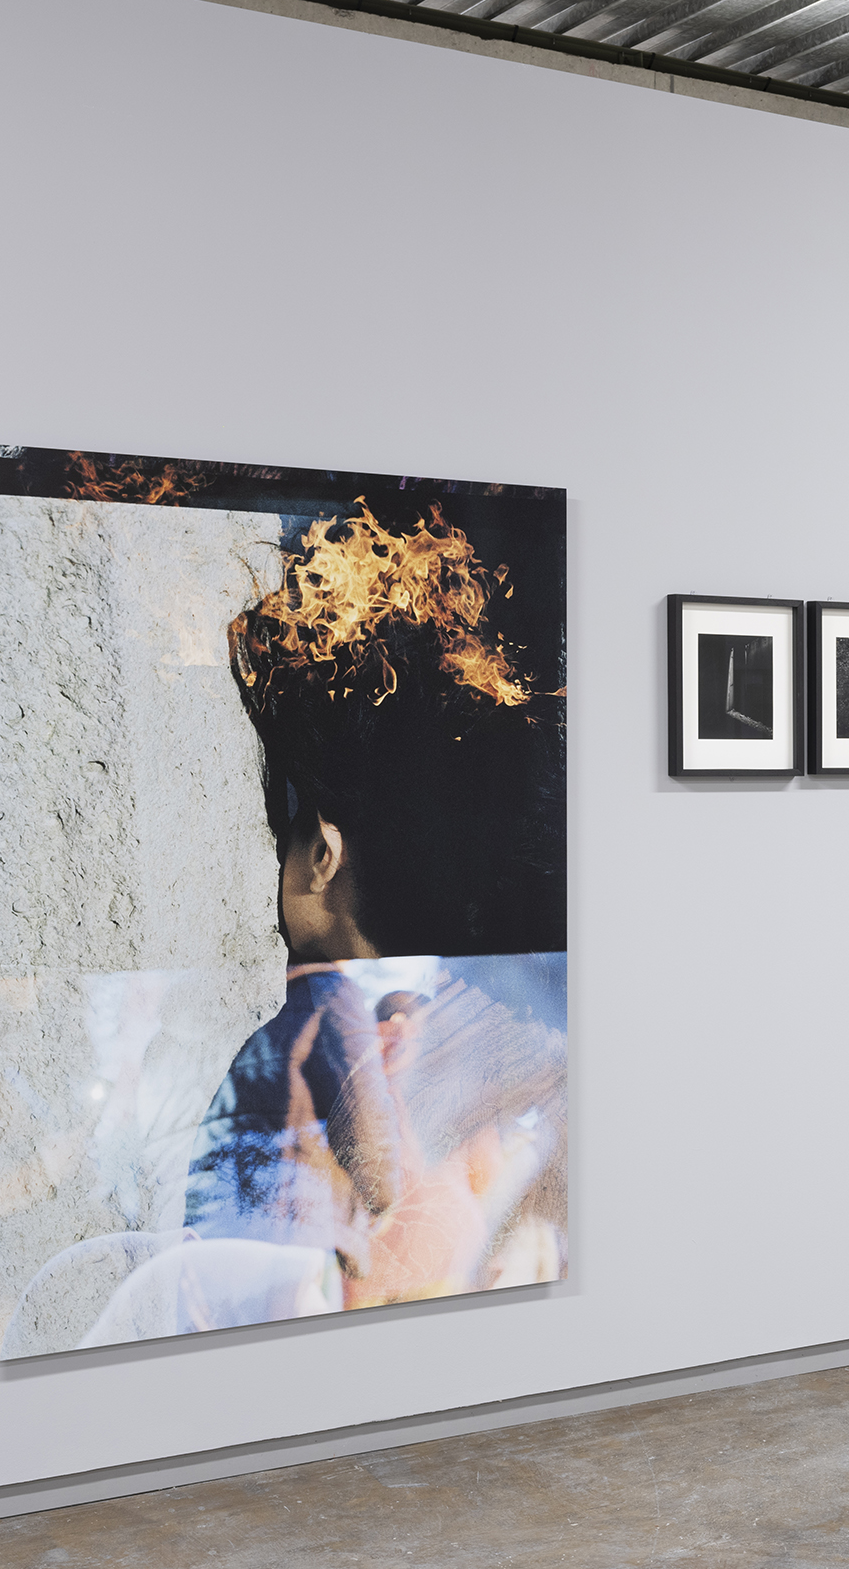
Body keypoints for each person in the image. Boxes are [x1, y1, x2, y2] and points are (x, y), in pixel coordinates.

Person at [180, 498, 567, 1310]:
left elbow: (376, 1164)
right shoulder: (369, 1008)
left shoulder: (327, 1004)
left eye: (282, 831)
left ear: (322, 855)